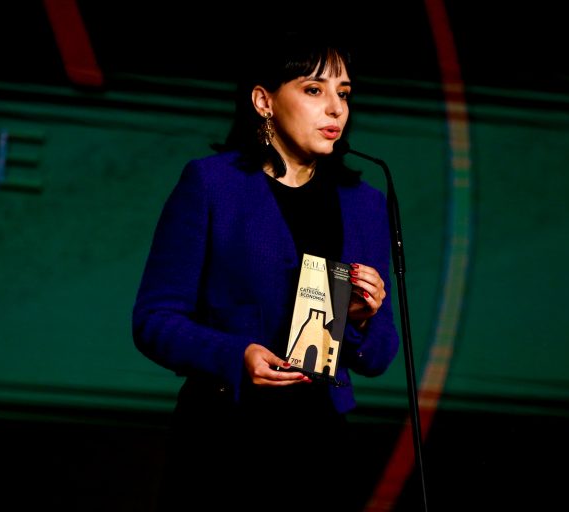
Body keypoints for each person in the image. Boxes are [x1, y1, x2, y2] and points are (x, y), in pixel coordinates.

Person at [132, 32, 400, 511]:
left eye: (343, 93)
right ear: (264, 101)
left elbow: (379, 354)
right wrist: (237, 355)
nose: (335, 109)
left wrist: (359, 320)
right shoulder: (212, 183)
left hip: (318, 444)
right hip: (223, 435)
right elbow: (154, 320)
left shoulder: (365, 204)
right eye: (314, 89)